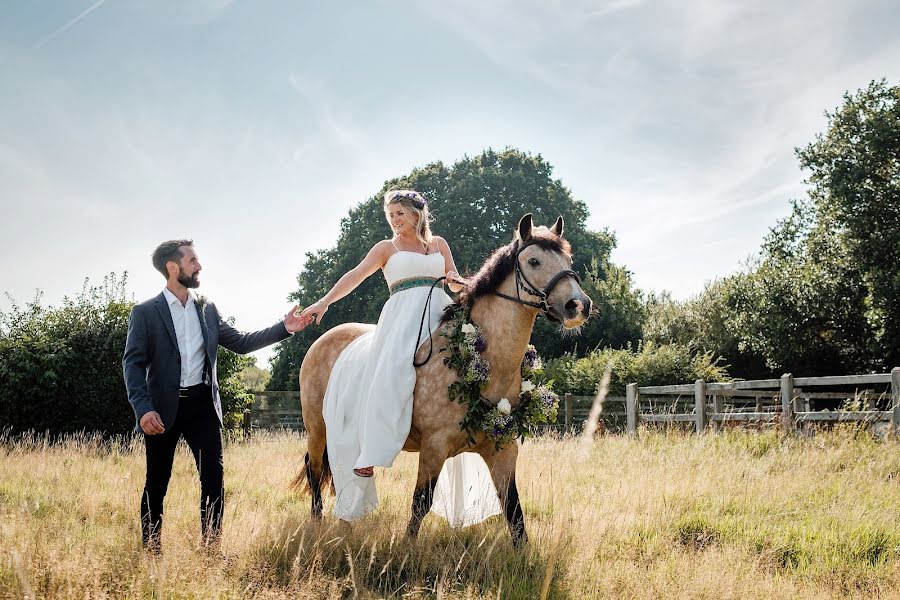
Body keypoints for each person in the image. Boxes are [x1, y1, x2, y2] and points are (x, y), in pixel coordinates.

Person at [298, 190, 501, 525]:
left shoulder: (439, 244)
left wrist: (456, 282)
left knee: (466, 369)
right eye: (390, 214)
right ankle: (369, 452)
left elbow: (452, 284)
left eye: (400, 214)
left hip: (439, 313)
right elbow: (356, 276)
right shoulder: (386, 248)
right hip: (402, 317)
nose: (394, 220)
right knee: (392, 371)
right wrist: (324, 302)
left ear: (418, 214)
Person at [123, 239, 307, 553]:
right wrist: (143, 408)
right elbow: (133, 363)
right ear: (173, 267)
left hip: (202, 407)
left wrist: (284, 328)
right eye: (192, 260)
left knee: (213, 481)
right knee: (157, 482)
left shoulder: (206, 308)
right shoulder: (145, 313)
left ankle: (211, 548)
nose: (199, 266)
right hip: (161, 409)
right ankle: (151, 550)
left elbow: (242, 342)